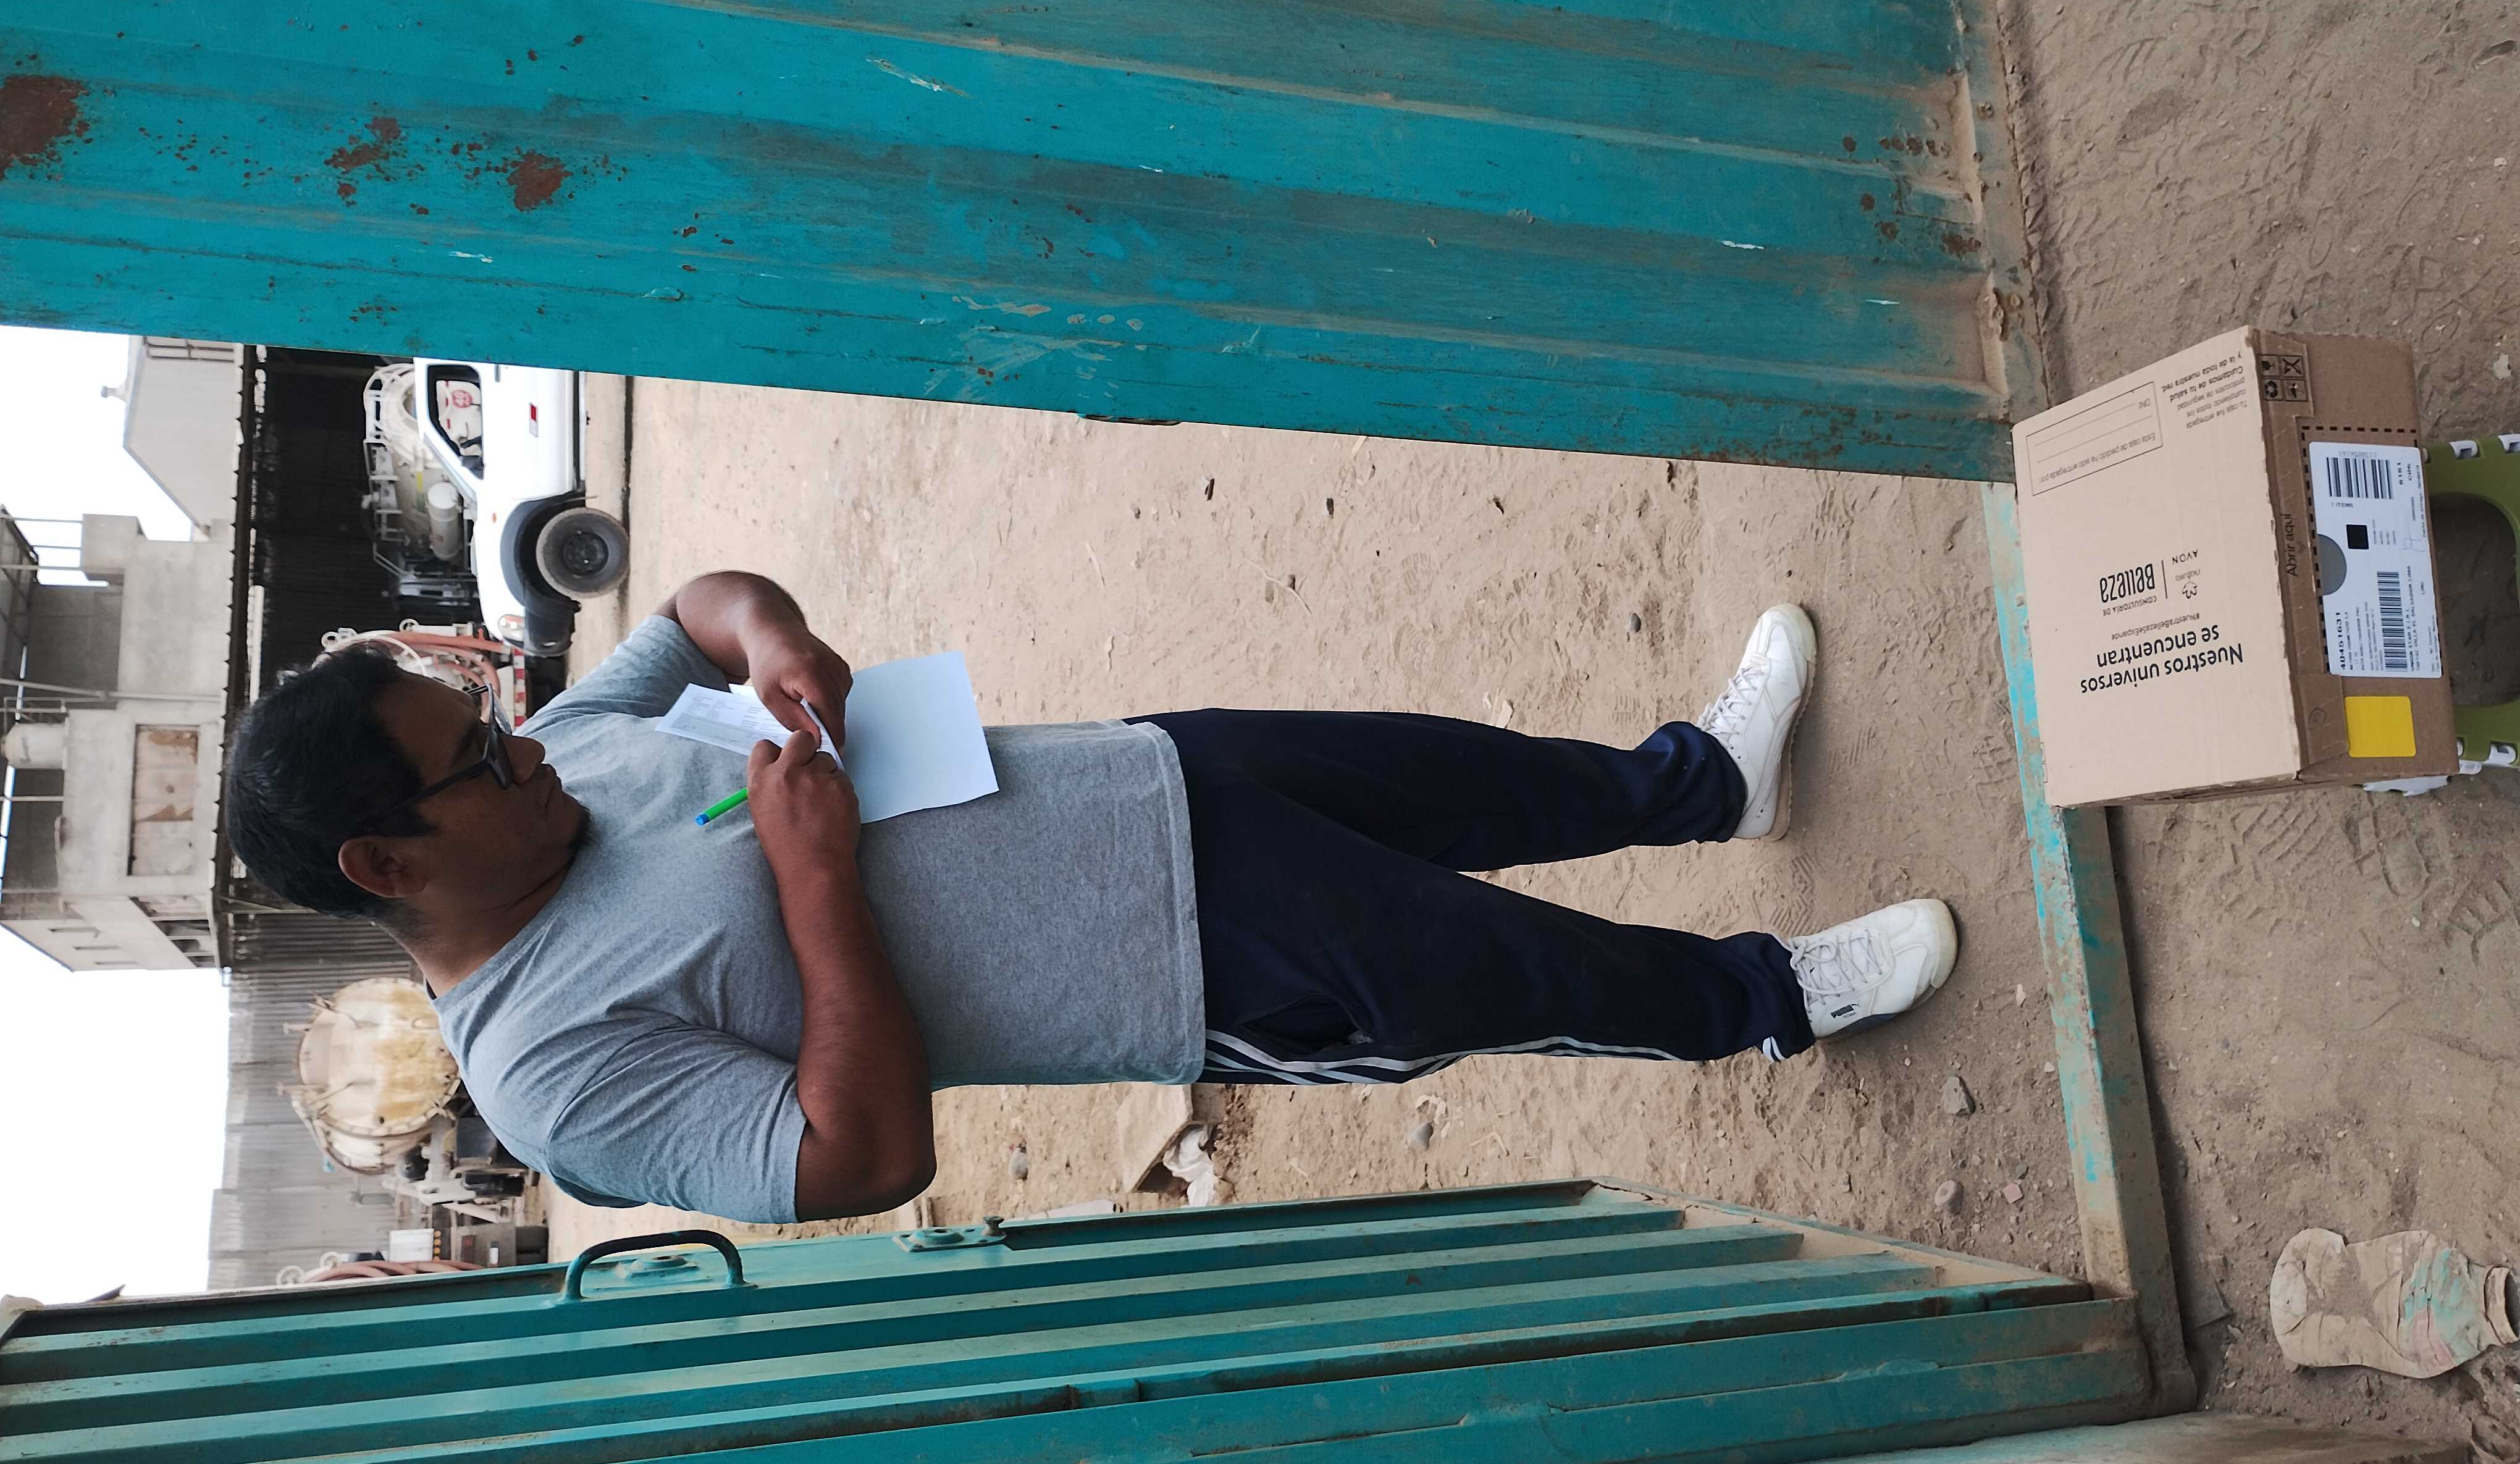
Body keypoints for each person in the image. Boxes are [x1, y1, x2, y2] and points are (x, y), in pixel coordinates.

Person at [224, 572, 1958, 1224]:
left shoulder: (563, 757)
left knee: (1464, 775)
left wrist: (773, 638)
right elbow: (856, 1163)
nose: (523, 750)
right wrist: (815, 883)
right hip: (1187, 966)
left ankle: (1700, 786)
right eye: (477, 763)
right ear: (387, 863)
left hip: (1146, 777)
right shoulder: (548, 1073)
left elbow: (697, 609)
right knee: (1517, 968)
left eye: (495, 722)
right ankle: (1771, 1001)